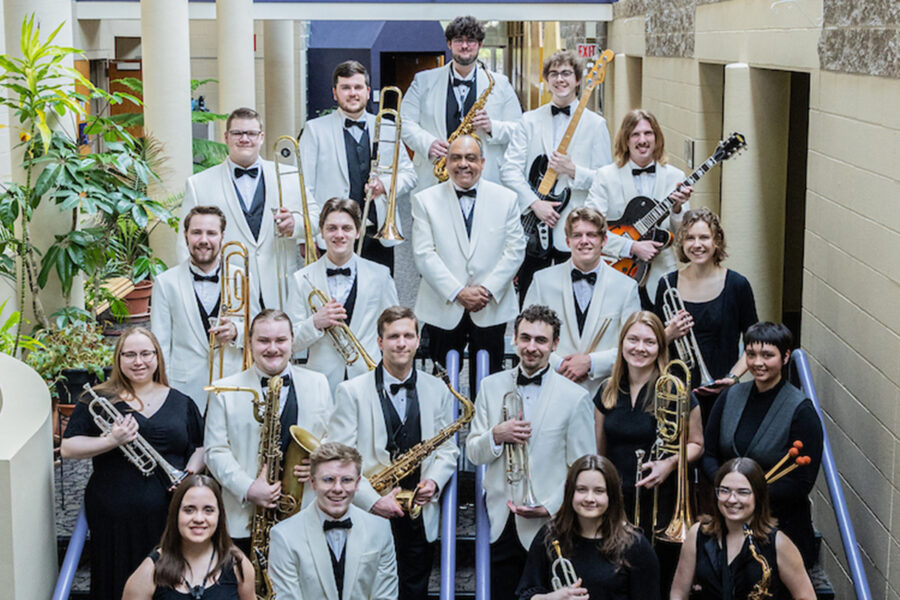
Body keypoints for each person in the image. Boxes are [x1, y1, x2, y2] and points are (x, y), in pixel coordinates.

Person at [61, 327, 205, 600]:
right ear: (118, 359)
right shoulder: (98, 399)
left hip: (167, 513)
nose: (138, 362)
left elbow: (199, 446)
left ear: (157, 357)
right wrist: (111, 440)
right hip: (113, 513)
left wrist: (189, 472)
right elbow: (68, 448)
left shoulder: (181, 402)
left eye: (145, 354)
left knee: (166, 579)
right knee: (116, 579)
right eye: (129, 355)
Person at [327, 306, 458, 600]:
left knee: (415, 591)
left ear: (417, 340)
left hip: (417, 513)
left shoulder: (437, 388)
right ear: (380, 341)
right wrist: (373, 502)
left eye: (408, 335)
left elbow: (447, 449)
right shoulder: (351, 391)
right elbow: (338, 462)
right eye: (394, 336)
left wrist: (433, 482)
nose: (401, 343)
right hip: (367, 513)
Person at [467, 305, 595, 600]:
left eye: (540, 340)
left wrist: (551, 507)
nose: (531, 347)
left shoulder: (575, 397)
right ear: (514, 338)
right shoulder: (490, 386)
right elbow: (474, 452)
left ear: (555, 345)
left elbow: (583, 470)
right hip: (501, 522)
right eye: (525, 338)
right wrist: (496, 435)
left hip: (551, 524)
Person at [204, 309, 332, 554]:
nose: (272, 348)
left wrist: (319, 461)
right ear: (250, 342)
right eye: (263, 340)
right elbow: (215, 451)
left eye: (280, 340)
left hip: (304, 511)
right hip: (244, 519)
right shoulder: (224, 390)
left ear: (292, 341)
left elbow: (330, 437)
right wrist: (249, 488)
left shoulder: (319, 383)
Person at [594, 310, 703, 597]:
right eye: (633, 340)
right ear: (622, 344)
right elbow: (599, 453)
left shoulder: (677, 391)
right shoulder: (607, 391)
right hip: (617, 505)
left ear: (660, 348)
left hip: (662, 505)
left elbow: (697, 444)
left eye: (649, 342)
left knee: (658, 584)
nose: (640, 348)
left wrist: (668, 464)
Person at [702, 322, 823, 569]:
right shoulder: (729, 396)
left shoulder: (801, 410)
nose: (758, 362)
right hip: (729, 521)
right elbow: (709, 452)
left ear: (786, 356)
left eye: (768, 355)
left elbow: (801, 482)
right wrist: (728, 490)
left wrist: (748, 495)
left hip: (781, 528)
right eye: (751, 354)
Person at [412, 134, 526, 394]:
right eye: (456, 158)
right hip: (444, 303)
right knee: (442, 385)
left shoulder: (506, 199)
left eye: (471, 158)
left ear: (483, 163)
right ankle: (444, 433)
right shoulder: (424, 200)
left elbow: (515, 250)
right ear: (447, 162)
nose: (464, 164)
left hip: (490, 305)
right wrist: (458, 292)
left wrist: (486, 289)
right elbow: (424, 254)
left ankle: (483, 432)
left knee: (489, 384)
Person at [179, 107, 319, 312]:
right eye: (237, 133)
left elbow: (317, 219)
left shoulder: (289, 175)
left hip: (281, 288)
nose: (245, 138)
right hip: (229, 290)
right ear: (226, 137)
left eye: (251, 133)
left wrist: (295, 224)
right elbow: (184, 244)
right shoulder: (198, 184)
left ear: (261, 137)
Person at [501, 49, 613, 300]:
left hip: (574, 228)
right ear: (546, 80)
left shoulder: (596, 124)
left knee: (573, 299)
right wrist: (534, 203)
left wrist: (574, 171)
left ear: (577, 80)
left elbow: (606, 180)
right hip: (532, 224)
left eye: (566, 73)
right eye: (554, 74)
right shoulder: (528, 120)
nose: (560, 79)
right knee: (529, 298)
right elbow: (509, 169)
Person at [299, 60, 416, 273]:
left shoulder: (389, 127)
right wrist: (307, 236)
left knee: (380, 301)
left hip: (377, 233)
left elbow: (409, 175)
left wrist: (385, 185)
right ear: (335, 93)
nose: (352, 93)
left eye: (358, 87)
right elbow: (304, 187)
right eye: (345, 87)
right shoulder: (314, 130)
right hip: (334, 235)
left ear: (368, 92)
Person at [652, 207, 758, 422]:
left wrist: (732, 378)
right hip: (677, 395)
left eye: (704, 237)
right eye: (690, 238)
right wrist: (669, 333)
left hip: (723, 395)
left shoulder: (737, 285)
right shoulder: (666, 284)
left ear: (716, 241)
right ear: (682, 242)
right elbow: (650, 345)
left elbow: (754, 344)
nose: (697, 244)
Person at [524, 207, 641, 397]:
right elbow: (523, 337)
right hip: (551, 388)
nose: (584, 241)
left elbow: (634, 345)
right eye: (577, 235)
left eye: (591, 235)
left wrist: (591, 363)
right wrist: (559, 364)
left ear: (603, 240)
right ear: (567, 240)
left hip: (604, 394)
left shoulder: (626, 287)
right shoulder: (541, 281)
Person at [401, 15, 522, 192]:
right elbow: (404, 122)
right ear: (449, 44)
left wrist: (492, 127)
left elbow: (519, 130)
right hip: (435, 176)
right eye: (459, 41)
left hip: (484, 178)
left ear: (480, 45)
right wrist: (428, 143)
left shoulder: (500, 84)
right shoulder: (423, 81)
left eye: (471, 41)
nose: (465, 46)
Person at [288, 198, 399, 393]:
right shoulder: (301, 279)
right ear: (321, 232)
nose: (339, 235)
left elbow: (394, 330)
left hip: (368, 380)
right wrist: (315, 322)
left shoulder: (380, 275)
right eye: (332, 228)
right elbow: (290, 342)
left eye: (346, 228)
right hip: (321, 383)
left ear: (357, 232)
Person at [586, 109, 693, 307]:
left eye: (648, 133)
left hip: (662, 275)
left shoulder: (676, 177)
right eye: (635, 134)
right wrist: (632, 247)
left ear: (657, 138)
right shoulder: (605, 177)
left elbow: (683, 237)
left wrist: (677, 210)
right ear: (626, 140)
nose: (642, 140)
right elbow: (589, 230)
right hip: (618, 271)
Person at [516, 455, 660, 600]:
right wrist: (550, 598)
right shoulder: (550, 536)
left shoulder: (635, 546)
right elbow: (524, 595)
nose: (589, 498)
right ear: (570, 492)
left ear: (611, 495)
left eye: (599, 491)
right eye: (581, 489)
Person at [670, 458, 816, 600]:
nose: (732, 499)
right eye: (725, 490)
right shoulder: (697, 533)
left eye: (743, 492)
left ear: (758, 496)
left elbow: (806, 596)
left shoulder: (779, 543)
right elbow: (678, 593)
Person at [268, 442, 399, 600]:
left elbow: (385, 597)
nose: (338, 488)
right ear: (313, 483)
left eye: (346, 480)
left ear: (357, 483)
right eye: (328, 479)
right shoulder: (283, 536)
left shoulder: (380, 529)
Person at [151, 205, 244, 412]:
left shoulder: (242, 278)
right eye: (196, 232)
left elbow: (258, 330)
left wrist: (237, 331)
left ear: (222, 236)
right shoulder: (166, 282)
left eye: (211, 233)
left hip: (233, 385)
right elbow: (160, 343)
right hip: (183, 390)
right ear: (185, 236)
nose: (204, 240)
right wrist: (162, 394)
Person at [122, 474, 256, 600]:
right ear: (176, 514)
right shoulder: (149, 571)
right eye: (189, 510)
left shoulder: (238, 565)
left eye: (208, 510)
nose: (199, 518)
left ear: (219, 515)